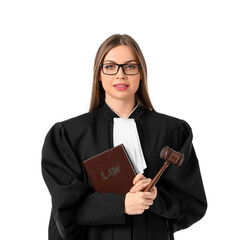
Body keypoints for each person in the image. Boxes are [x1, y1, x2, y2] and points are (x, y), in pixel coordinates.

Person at [41, 34, 207, 240]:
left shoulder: (173, 130)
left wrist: (156, 198)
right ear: (99, 74)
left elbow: (192, 204)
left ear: (141, 74)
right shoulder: (69, 135)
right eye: (110, 67)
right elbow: (65, 209)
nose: (121, 75)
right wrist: (121, 205)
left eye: (130, 67)